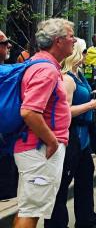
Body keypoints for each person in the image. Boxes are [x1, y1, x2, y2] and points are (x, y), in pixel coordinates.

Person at [13, 18, 75, 228]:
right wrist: (52, 141)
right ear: (58, 41)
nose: (74, 40)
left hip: (36, 148)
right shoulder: (46, 70)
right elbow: (29, 111)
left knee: (31, 207)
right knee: (31, 210)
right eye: (70, 36)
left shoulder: (41, 64)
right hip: (39, 150)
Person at [46, 44, 96, 228]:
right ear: (75, 54)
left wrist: (93, 96)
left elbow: (82, 97)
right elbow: (65, 110)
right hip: (71, 133)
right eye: (83, 52)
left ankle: (86, 217)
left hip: (83, 135)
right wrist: (92, 104)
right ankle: (58, 223)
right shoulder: (67, 79)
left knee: (85, 175)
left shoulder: (79, 74)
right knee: (63, 182)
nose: (86, 55)